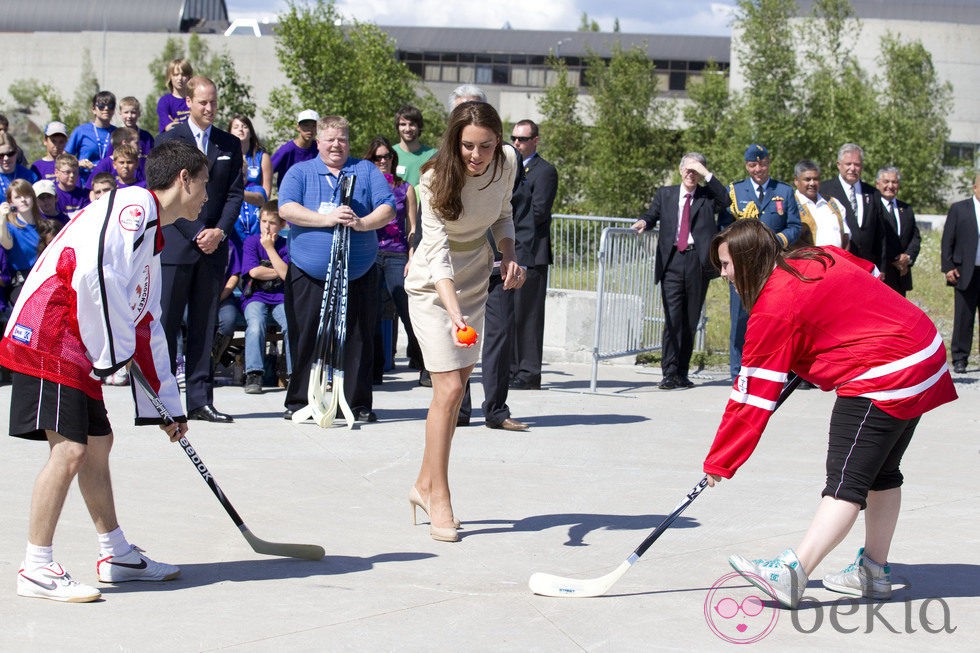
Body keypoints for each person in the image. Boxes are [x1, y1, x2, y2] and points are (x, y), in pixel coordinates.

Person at [704, 218, 957, 610]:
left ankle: (793, 573)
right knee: (882, 472)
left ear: (748, 258)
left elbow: (751, 400)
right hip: (922, 351)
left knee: (845, 483)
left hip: (885, 372)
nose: (723, 275)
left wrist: (720, 461)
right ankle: (872, 572)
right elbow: (870, 273)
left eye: (726, 264)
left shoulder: (773, 307)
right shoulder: (813, 255)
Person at [0, 139, 208, 603]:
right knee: (71, 449)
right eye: (204, 185)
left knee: (97, 443)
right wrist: (113, 352)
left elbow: (148, 323)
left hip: (80, 341)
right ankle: (35, 566)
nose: (207, 197)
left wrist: (167, 410)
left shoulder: (153, 235)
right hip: (50, 332)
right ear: (184, 179)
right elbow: (97, 274)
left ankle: (115, 554)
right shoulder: (133, 206)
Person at [405, 101, 522, 541]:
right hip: (435, 286)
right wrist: (455, 315)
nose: (476, 155)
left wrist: (510, 254)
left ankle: (421, 484)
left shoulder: (507, 161)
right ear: (455, 141)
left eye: (486, 146)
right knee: (450, 388)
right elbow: (435, 257)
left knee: (454, 396)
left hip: (476, 274)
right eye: (468, 145)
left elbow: (505, 211)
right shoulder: (434, 177)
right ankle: (440, 497)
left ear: (499, 141)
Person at [279, 115, 395, 422]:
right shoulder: (300, 171)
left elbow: (388, 206)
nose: (336, 145)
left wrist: (362, 223)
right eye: (330, 139)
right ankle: (299, 401)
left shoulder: (366, 170)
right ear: (318, 141)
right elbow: (286, 207)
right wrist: (326, 220)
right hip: (309, 272)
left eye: (342, 139)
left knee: (358, 337)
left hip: (359, 271)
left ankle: (357, 404)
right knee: (306, 336)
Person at [156, 76, 245, 423]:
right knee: (166, 324)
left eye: (214, 103)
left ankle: (199, 399)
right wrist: (195, 232)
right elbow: (162, 193)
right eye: (203, 102)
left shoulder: (228, 144)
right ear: (189, 103)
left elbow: (235, 193)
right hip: (177, 245)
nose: (209, 109)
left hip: (214, 248)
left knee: (204, 326)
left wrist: (219, 231)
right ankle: (160, 401)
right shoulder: (169, 140)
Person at [631, 152, 727, 390]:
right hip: (672, 260)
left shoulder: (707, 197)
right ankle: (669, 372)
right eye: (688, 169)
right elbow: (652, 214)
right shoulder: (666, 194)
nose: (691, 174)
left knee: (690, 318)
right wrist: (644, 222)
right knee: (673, 317)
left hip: (697, 261)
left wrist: (706, 174)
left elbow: (726, 200)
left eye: (696, 170)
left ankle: (682, 372)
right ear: (680, 170)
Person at [722, 144, 801, 379]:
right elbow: (724, 226)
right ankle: (738, 371)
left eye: (763, 163)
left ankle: (770, 368)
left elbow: (795, 226)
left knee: (774, 317)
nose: (759, 169)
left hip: (773, 265)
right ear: (746, 166)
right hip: (744, 265)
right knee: (740, 319)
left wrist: (774, 241)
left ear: (769, 163)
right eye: (753, 164)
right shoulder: (736, 191)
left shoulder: (784, 191)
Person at [363, 136, 422, 374]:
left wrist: (412, 256)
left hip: (397, 253)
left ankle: (422, 363)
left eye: (387, 156)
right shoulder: (364, 186)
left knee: (408, 309)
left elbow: (413, 227)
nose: (383, 161)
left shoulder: (405, 188)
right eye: (378, 157)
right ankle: (375, 367)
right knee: (373, 311)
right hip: (371, 253)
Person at [509, 119, 558, 391]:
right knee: (511, 314)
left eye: (523, 139)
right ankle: (512, 369)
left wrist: (505, 223)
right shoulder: (509, 170)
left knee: (528, 315)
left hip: (532, 253)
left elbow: (538, 212)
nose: (517, 143)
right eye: (514, 138)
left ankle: (528, 373)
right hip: (510, 252)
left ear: (535, 141)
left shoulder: (544, 171)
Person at [241, 201, 290, 394]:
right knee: (255, 324)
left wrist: (270, 249)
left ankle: (294, 374)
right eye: (263, 221)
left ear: (282, 225)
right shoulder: (251, 242)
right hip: (256, 296)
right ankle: (254, 373)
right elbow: (254, 271)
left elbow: (286, 274)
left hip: (281, 296)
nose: (266, 227)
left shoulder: (286, 245)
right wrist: (277, 269)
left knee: (291, 324)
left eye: (272, 222)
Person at [820, 143, 890, 269]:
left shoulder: (873, 193)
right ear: (838, 165)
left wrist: (882, 267)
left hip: (867, 266)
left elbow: (881, 234)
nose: (852, 168)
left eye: (857, 164)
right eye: (848, 164)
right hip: (837, 265)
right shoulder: (824, 191)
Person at [941, 172, 980, 374]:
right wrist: (947, 267)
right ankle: (959, 358)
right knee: (964, 317)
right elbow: (948, 239)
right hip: (965, 271)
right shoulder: (960, 209)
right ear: (975, 187)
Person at [0, 179, 50, 305]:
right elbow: (7, 244)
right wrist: (2, 218)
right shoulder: (10, 227)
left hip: (45, 280)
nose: (23, 200)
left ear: (33, 198)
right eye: (17, 197)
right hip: (21, 284)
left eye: (26, 195)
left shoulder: (45, 225)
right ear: (11, 202)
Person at [228, 114, 272, 248]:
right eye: (236, 127)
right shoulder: (225, 155)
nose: (241, 129)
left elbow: (266, 194)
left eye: (245, 126)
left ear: (251, 132)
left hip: (254, 206)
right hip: (233, 205)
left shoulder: (261, 156)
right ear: (230, 132)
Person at [877, 166, 920, 297]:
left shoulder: (906, 209)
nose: (890, 186)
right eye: (886, 182)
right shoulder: (873, 208)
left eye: (894, 182)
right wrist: (895, 259)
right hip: (882, 273)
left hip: (902, 273)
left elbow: (915, 237)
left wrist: (907, 257)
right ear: (877, 184)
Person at [792, 159, 850, 248]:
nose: (812, 183)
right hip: (805, 260)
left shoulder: (833, 203)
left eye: (816, 179)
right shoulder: (790, 204)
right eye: (807, 179)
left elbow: (846, 236)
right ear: (796, 181)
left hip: (837, 259)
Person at [65, 91, 117, 183]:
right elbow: (64, 158)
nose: (106, 109)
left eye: (110, 106)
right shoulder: (81, 131)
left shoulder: (117, 133)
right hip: (85, 181)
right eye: (101, 106)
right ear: (94, 109)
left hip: (109, 182)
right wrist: (78, 163)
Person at [271, 109, 319, 192]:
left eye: (314, 126)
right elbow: (266, 171)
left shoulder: (319, 148)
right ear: (298, 127)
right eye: (306, 125)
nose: (310, 129)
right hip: (289, 196)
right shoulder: (287, 150)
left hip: (312, 196)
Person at [392, 105, 436, 189]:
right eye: (403, 124)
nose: (407, 129)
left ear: (419, 127)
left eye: (412, 124)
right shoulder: (389, 154)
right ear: (397, 127)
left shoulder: (433, 155)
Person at [157, 58, 193, 133]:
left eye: (183, 75)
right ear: (170, 77)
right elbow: (170, 128)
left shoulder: (194, 100)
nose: (180, 78)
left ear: (189, 77)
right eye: (176, 75)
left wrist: (177, 125)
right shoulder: (165, 101)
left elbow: (201, 125)